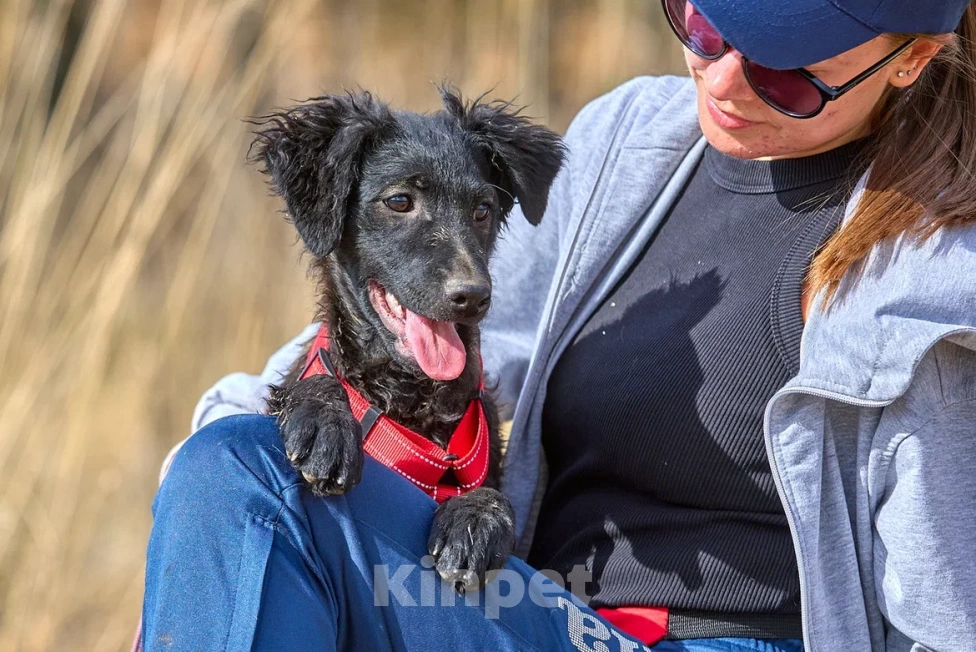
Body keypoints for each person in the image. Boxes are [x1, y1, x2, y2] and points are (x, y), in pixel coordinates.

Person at [141, 0, 976, 650]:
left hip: (706, 639)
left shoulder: (930, 275)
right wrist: (219, 474)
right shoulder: (631, 143)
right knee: (234, 467)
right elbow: (448, 333)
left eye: (785, 73)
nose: (722, 81)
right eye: (705, 27)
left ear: (911, 59)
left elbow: (946, 613)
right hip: (533, 605)